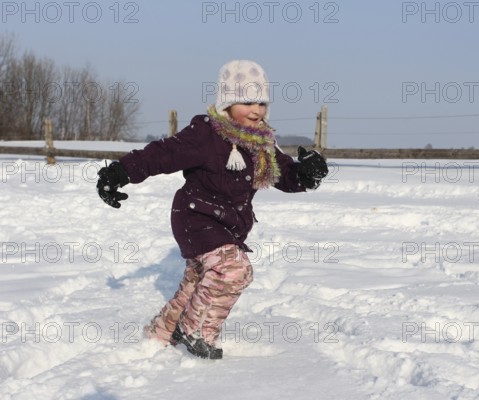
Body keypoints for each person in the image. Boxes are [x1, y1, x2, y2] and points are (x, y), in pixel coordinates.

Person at [96, 60, 328, 359]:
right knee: (234, 269)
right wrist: (121, 172)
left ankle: (161, 332)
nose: (256, 109)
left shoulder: (261, 143)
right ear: (227, 103)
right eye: (246, 101)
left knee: (197, 281)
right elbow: (164, 153)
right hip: (195, 217)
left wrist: (308, 175)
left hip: (227, 226)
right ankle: (196, 330)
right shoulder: (207, 134)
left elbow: (284, 175)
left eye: (262, 102)